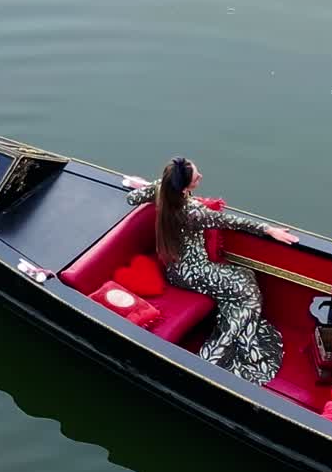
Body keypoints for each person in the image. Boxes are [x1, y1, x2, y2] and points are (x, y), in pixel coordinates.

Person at [123, 157, 299, 386]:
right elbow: (229, 221)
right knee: (247, 293)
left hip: (175, 269)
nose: (201, 177)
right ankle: (213, 356)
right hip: (192, 271)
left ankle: (233, 324)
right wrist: (267, 229)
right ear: (186, 186)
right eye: (197, 176)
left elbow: (131, 198)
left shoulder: (162, 190)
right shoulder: (193, 212)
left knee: (246, 277)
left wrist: (144, 186)